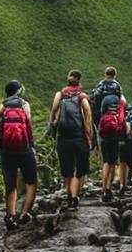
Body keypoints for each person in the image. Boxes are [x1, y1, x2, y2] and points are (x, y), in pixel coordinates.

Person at [0, 80, 37, 230]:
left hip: (7, 150)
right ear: (19, 91)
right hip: (24, 148)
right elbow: (29, 124)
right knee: (31, 182)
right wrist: (31, 143)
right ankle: (24, 213)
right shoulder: (24, 104)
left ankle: (10, 216)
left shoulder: (3, 105)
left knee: (10, 183)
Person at [49, 69, 93, 211]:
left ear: (69, 79)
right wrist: (89, 133)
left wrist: (53, 126)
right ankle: (74, 196)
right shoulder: (82, 96)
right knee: (78, 169)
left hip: (63, 137)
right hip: (78, 136)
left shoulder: (60, 94)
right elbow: (87, 111)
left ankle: (69, 195)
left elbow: (54, 109)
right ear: (79, 81)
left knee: (67, 169)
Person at [91, 67, 126, 202]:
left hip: (103, 129)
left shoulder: (100, 86)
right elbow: (123, 109)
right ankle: (110, 188)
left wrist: (98, 122)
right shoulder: (118, 88)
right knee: (113, 161)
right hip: (116, 131)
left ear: (105, 74)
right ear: (115, 75)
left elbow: (94, 103)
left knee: (105, 161)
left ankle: (104, 188)